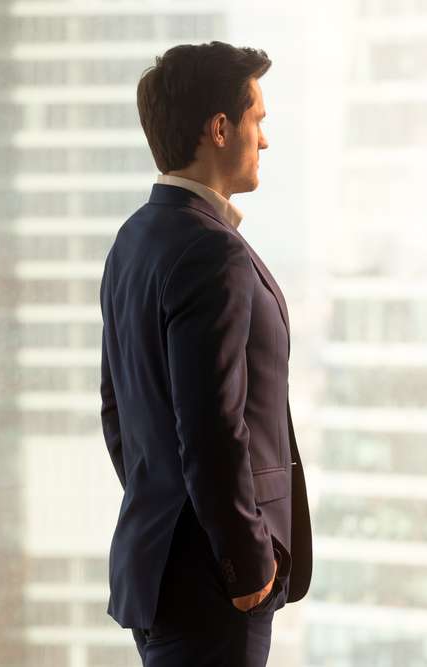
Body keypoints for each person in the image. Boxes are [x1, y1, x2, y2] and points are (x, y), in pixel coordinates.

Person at [98, 41, 312, 666]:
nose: (264, 140)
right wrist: (246, 563)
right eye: (257, 121)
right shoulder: (208, 251)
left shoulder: (133, 240)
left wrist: (163, 505)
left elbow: (119, 413)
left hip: (164, 569)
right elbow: (213, 426)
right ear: (220, 128)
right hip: (217, 583)